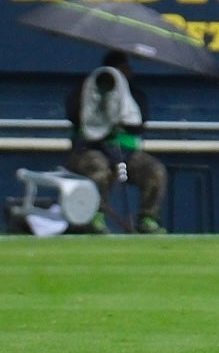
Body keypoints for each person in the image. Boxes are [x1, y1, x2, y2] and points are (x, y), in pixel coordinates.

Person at [64, 50, 167, 235]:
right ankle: (94, 217)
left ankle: (147, 219)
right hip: (88, 151)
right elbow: (73, 114)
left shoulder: (136, 95)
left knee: (154, 170)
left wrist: (120, 115)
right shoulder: (86, 89)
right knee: (99, 169)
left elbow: (139, 124)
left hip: (125, 152)